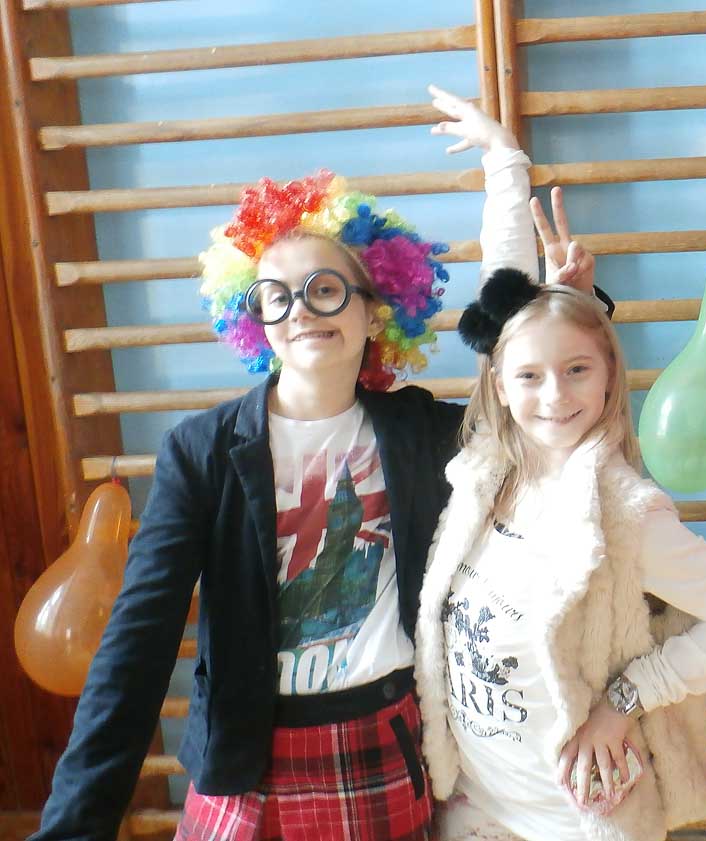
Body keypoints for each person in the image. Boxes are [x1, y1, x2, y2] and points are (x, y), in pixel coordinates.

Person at [29, 89, 602, 841]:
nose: (300, 309)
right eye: (276, 297)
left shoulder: (423, 434)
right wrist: (72, 827)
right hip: (245, 767)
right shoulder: (201, 452)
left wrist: (515, 190)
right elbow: (135, 647)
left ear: (374, 309)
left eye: (325, 290)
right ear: (255, 321)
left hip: (382, 751)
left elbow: (524, 378)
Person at [414, 269, 706, 841]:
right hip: (477, 803)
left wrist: (624, 703)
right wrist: (557, 289)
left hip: (571, 821)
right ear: (500, 385)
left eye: (577, 370)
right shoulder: (483, 477)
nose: (555, 395)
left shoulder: (630, 518)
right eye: (530, 376)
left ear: (609, 375)